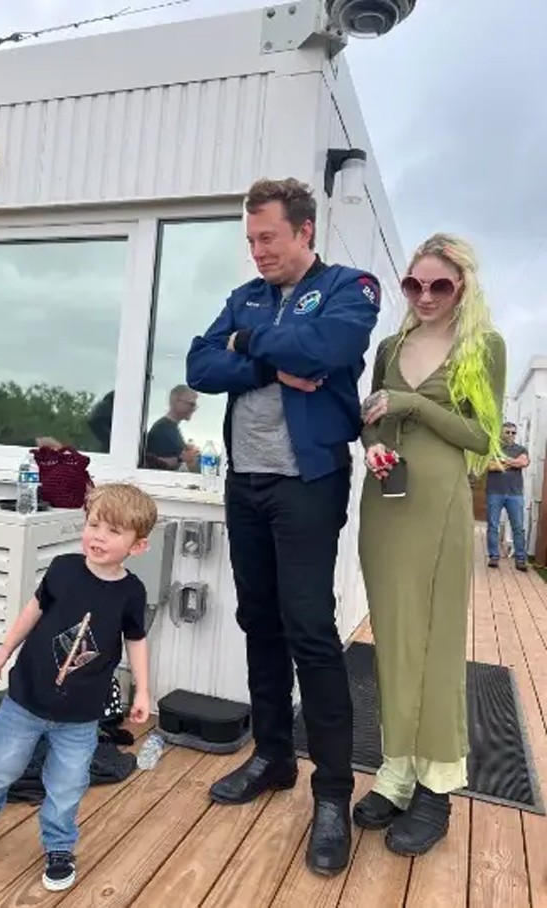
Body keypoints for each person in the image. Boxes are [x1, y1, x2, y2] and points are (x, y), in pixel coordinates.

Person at [186, 177, 381, 875]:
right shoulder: (244, 296)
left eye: (268, 237)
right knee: (259, 620)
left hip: (308, 484)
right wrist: (267, 361)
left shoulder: (350, 287)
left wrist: (249, 346)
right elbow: (199, 364)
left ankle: (332, 794)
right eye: (250, 239)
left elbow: (322, 351)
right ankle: (272, 757)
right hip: (246, 482)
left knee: (310, 630)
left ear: (304, 231)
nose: (258, 251)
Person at [356, 234, 506, 856]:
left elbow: (482, 437)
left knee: (436, 643)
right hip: (386, 500)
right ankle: (395, 769)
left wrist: (415, 403)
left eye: (438, 285)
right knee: (392, 637)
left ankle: (437, 783)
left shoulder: (483, 347)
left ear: (461, 285)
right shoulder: (390, 347)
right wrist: (373, 446)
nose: (424, 295)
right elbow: (371, 421)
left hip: (440, 505)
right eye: (413, 284)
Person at [0, 483, 157, 892]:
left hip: (80, 715)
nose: (98, 536)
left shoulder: (131, 592)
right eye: (93, 524)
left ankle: (59, 846)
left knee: (68, 785)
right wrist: (4, 650)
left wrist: (143, 690)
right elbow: (33, 610)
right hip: (26, 700)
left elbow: (136, 639)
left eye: (113, 531)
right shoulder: (63, 568)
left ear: (138, 546)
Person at [486, 421, 529, 570]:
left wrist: (503, 460)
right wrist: (513, 462)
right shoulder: (493, 448)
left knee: (518, 527)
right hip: (494, 493)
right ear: (501, 433)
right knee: (493, 526)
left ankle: (520, 559)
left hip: (515, 494)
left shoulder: (521, 449)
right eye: (507, 432)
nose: (511, 435)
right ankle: (494, 557)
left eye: (513, 432)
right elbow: (491, 466)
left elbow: (523, 463)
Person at [144, 385, 200, 470]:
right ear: (177, 401)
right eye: (192, 404)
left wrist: (185, 452)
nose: (194, 409)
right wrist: (182, 458)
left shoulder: (169, 428)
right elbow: (152, 463)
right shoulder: (161, 430)